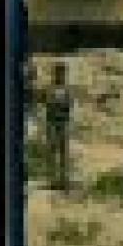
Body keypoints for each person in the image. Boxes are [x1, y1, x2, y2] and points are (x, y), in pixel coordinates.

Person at [43, 62, 74, 191]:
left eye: (62, 73)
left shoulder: (66, 89)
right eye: (59, 73)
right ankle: (53, 180)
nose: (61, 75)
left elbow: (69, 106)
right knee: (53, 151)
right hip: (54, 122)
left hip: (63, 122)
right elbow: (49, 107)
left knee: (63, 152)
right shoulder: (51, 89)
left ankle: (63, 180)